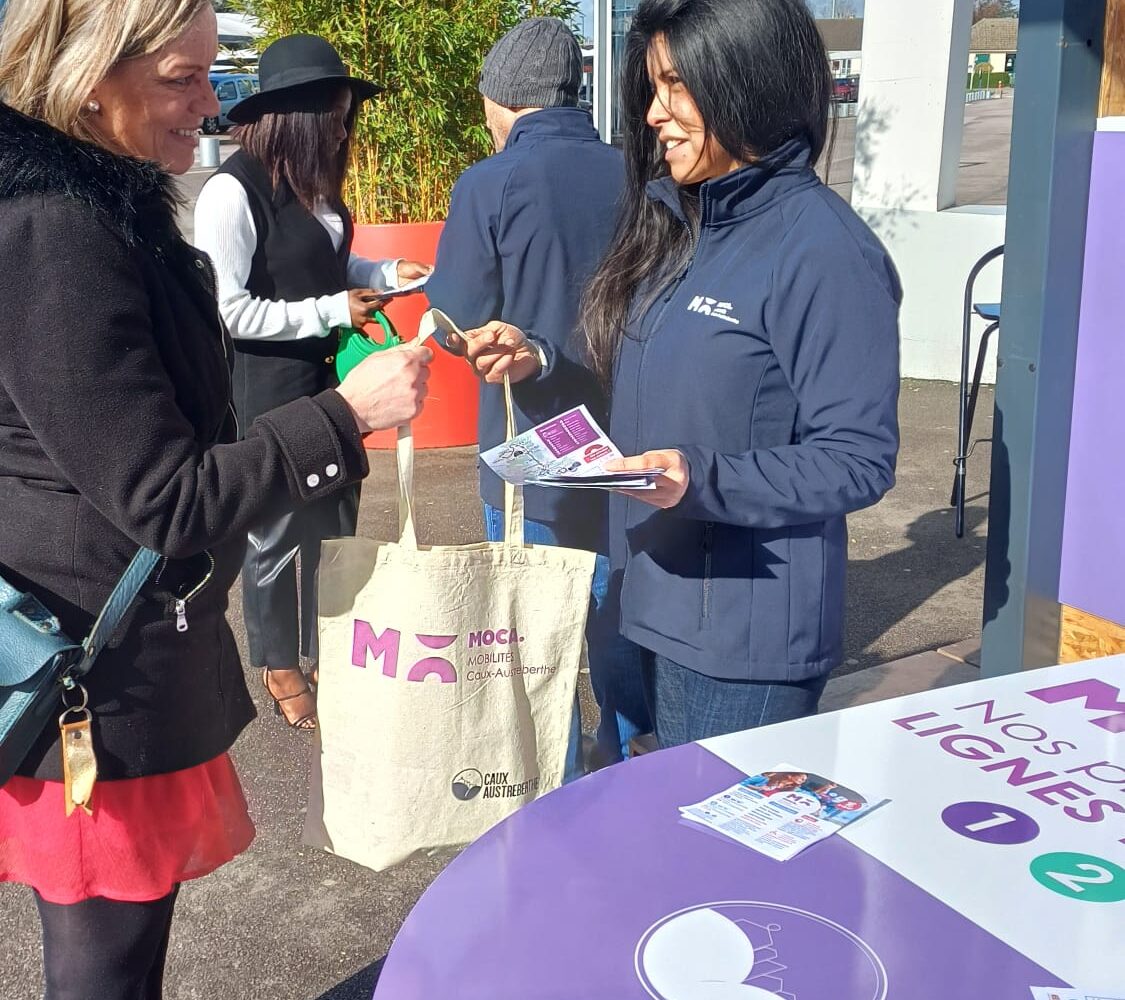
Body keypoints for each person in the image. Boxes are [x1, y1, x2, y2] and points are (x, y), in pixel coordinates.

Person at [0, 2, 430, 997]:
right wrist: (344, 414)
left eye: (210, 74)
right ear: (91, 78)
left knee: (119, 955)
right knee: (103, 964)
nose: (212, 101)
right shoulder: (56, 234)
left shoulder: (96, 207)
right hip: (97, 681)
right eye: (182, 78)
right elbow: (165, 494)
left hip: (114, 656)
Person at [461, 0, 901, 749]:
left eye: (675, 86)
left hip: (740, 638)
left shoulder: (824, 252)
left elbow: (858, 459)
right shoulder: (677, 227)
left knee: (718, 862)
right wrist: (540, 356)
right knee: (653, 842)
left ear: (746, 81)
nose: (655, 114)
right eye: (651, 89)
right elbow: (661, 380)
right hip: (645, 596)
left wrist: (700, 477)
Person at [425, 17, 648, 775]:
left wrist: (464, 337)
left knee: (535, 630)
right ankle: (626, 757)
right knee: (616, 613)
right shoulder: (638, 174)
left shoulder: (490, 183)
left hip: (530, 447)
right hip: (628, 440)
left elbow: (455, 319)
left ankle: (556, 778)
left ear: (500, 99)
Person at [194, 34, 432, 731]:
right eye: (335, 114)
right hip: (268, 390)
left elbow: (332, 264)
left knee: (334, 523)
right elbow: (226, 308)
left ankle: (324, 644)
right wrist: (333, 309)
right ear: (294, 116)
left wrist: (384, 278)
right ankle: (277, 662)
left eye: (345, 114)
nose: (345, 128)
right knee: (276, 535)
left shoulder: (311, 183)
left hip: (333, 385)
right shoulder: (231, 193)